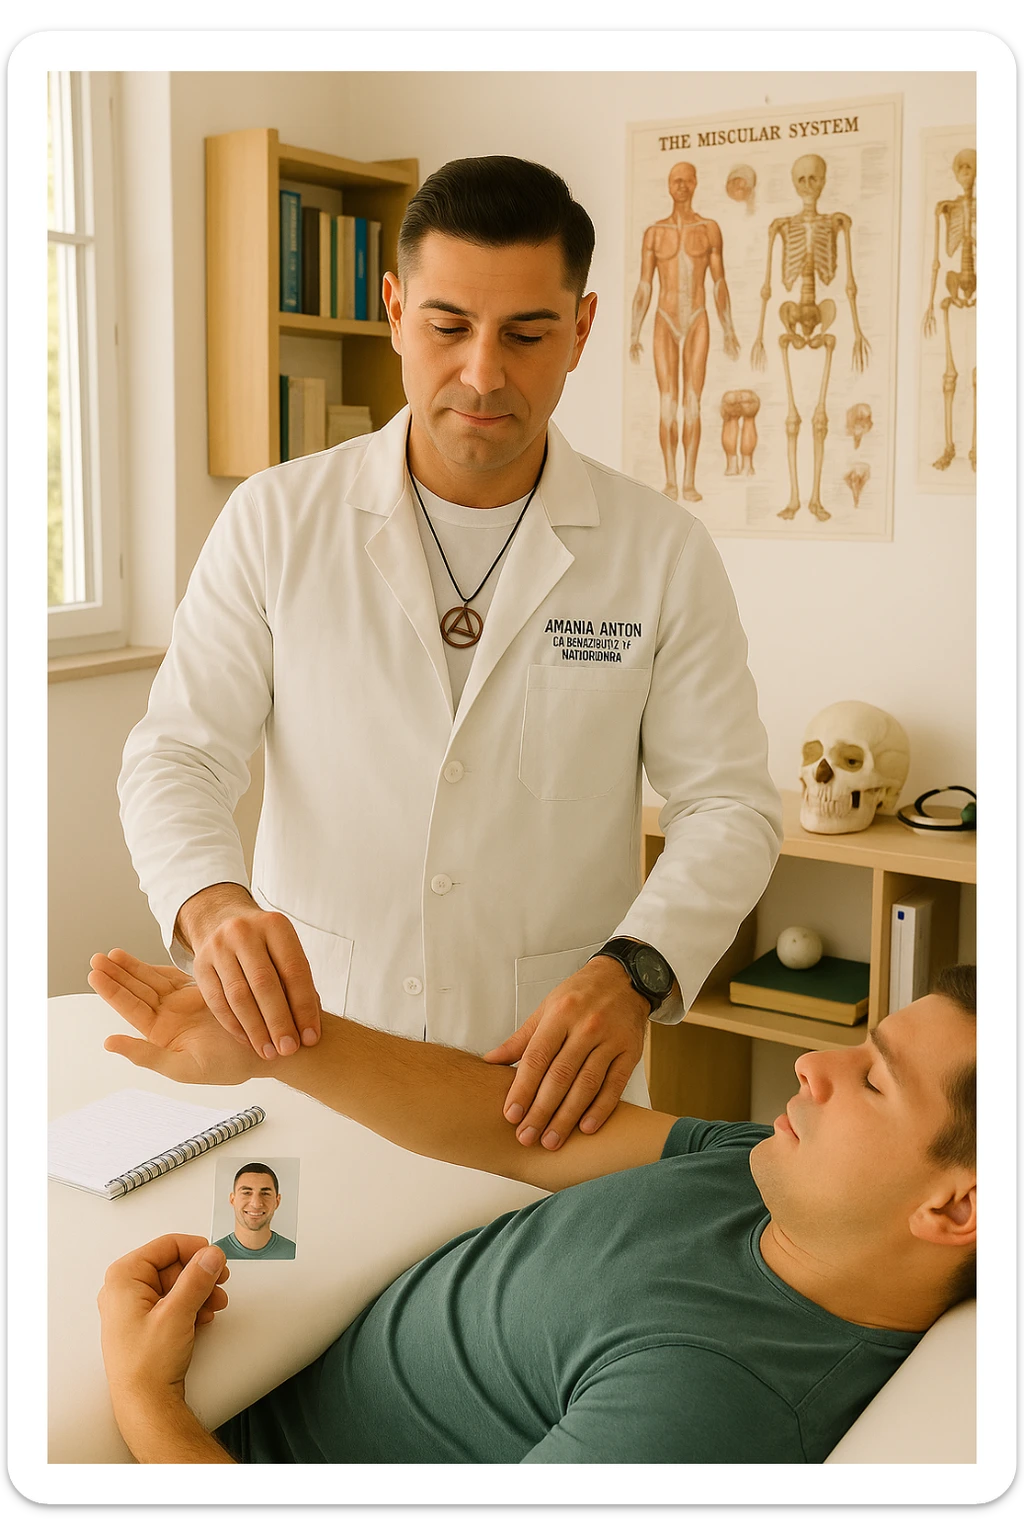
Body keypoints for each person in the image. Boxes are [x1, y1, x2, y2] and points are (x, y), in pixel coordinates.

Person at [118, 155, 782, 1156]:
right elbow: (177, 754)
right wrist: (212, 905)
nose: (483, 373)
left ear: (584, 330)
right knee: (312, 1297)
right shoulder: (277, 521)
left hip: (541, 1077)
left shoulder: (658, 550)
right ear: (392, 310)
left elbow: (727, 804)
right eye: (446, 327)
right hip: (316, 1046)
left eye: (526, 334)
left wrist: (636, 970)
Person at [91, 948, 976, 1465]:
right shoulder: (761, 1171)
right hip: (259, 1361)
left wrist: (148, 1401)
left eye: (873, 1080)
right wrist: (275, 1048)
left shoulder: (707, 1404)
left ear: (956, 1207)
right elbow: (517, 1129)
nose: (811, 1068)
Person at [630, 160, 741, 502]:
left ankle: (689, 482)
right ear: (668, 185)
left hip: (697, 318)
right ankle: (670, 481)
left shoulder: (708, 229)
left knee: (691, 403)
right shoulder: (655, 233)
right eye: (674, 180)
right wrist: (634, 332)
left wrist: (729, 329)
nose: (680, 185)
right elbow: (645, 286)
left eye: (686, 180)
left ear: (695, 184)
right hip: (665, 319)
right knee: (667, 404)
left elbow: (720, 281)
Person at [213, 1163, 296, 1261]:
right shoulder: (214, 1254)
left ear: (277, 1202)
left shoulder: (293, 1252)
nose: (256, 1204)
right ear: (232, 1199)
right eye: (247, 1193)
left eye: (265, 1194)